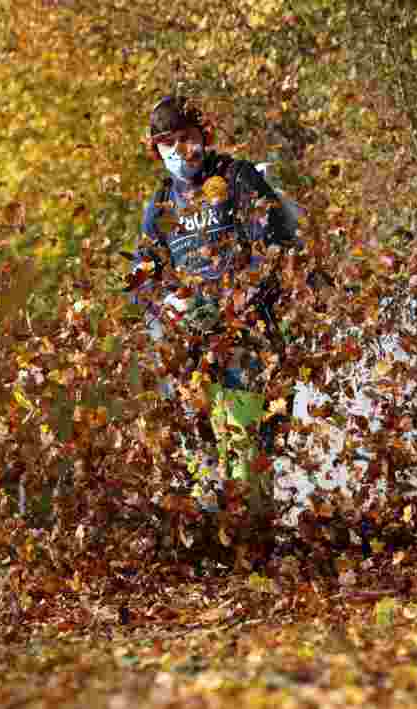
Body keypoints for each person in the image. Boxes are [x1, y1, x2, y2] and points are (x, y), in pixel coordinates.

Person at [126, 95, 299, 515]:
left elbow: (272, 245)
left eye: (186, 138)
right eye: (168, 143)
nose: (179, 151)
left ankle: (253, 532)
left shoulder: (237, 178)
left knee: (245, 437)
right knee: (194, 441)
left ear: (206, 137)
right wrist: (165, 300)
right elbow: (142, 276)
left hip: (246, 328)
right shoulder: (161, 206)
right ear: (156, 150)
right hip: (190, 341)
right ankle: (209, 531)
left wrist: (235, 301)